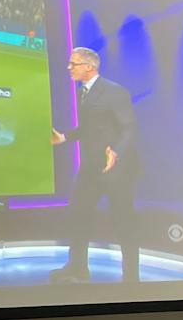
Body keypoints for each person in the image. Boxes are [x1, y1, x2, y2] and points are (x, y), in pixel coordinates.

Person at [49, 47, 140, 283]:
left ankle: (132, 278)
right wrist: (65, 137)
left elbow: (129, 127)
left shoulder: (114, 92)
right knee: (78, 215)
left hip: (117, 170)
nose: (69, 68)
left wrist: (116, 152)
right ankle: (78, 267)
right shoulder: (84, 93)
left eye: (74, 64)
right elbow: (89, 128)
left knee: (123, 221)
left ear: (89, 67)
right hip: (90, 169)